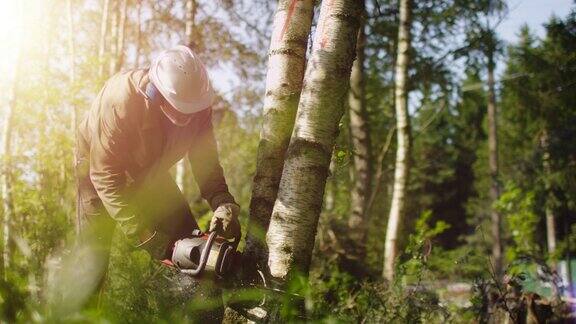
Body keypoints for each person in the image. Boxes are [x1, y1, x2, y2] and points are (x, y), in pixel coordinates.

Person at [74, 45, 240, 320]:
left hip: (148, 171)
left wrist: (222, 201)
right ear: (154, 92)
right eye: (179, 111)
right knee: (93, 261)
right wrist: (144, 234)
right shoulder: (120, 100)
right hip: (98, 172)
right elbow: (105, 176)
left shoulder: (199, 108)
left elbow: (205, 162)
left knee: (197, 255)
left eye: (191, 112)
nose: (186, 119)